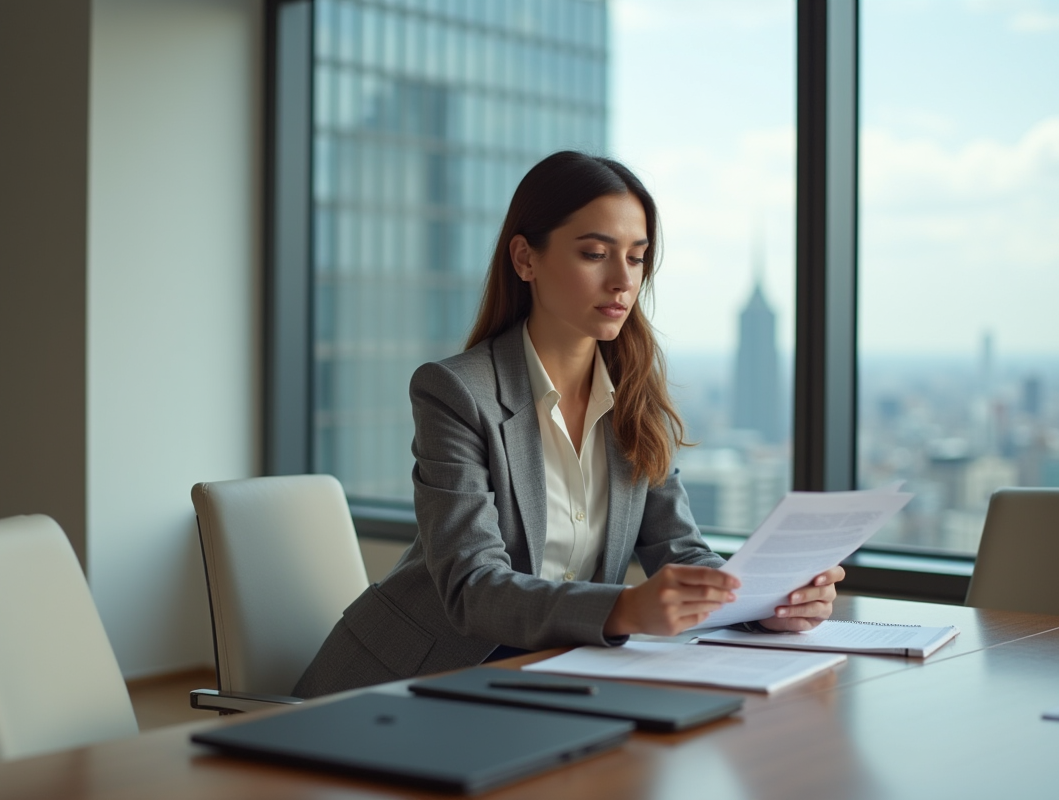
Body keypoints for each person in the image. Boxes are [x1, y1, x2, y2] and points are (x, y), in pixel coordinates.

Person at [293, 151, 843, 699]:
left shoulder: (633, 398)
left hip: (550, 679)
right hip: (409, 686)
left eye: (636, 257)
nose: (622, 280)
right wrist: (624, 607)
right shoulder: (456, 392)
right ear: (525, 259)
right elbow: (472, 588)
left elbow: (678, 549)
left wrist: (765, 602)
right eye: (595, 254)